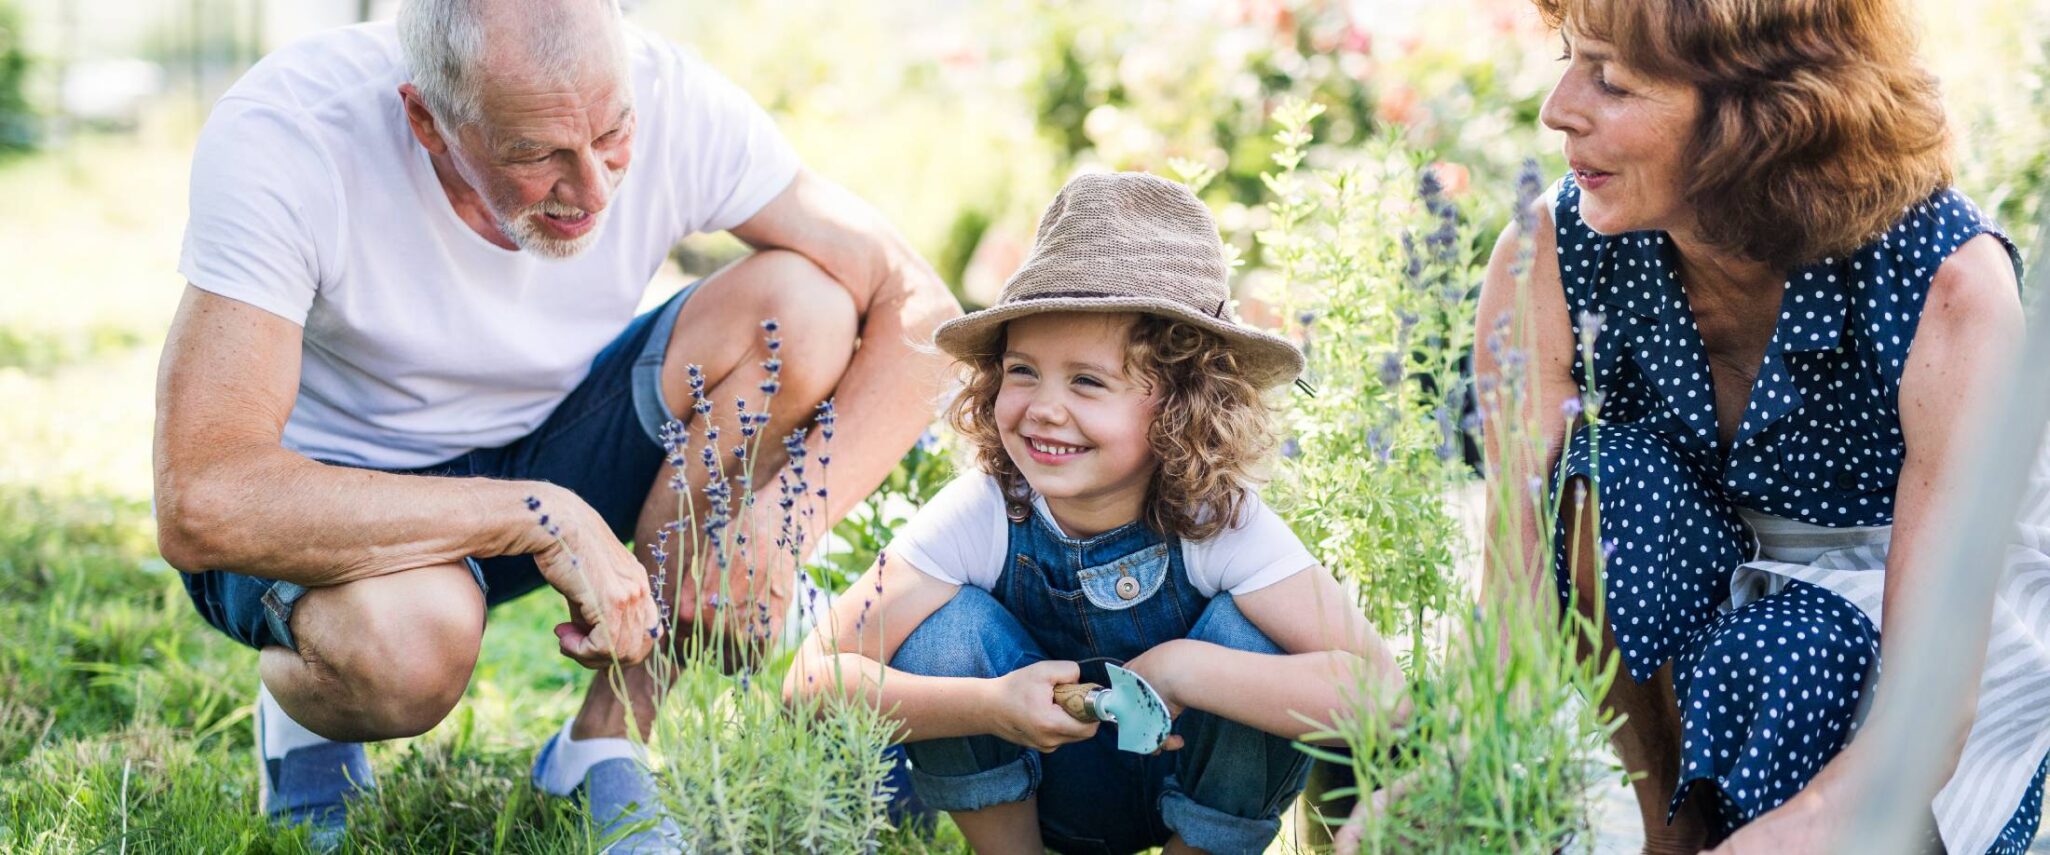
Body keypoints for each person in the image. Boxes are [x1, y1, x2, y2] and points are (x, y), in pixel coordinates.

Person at [153, 0, 958, 848]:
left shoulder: (673, 96)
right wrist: (531, 513)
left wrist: (780, 523)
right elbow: (203, 497)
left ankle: (607, 738)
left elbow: (922, 317)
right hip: (338, 506)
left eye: (613, 134)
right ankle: (308, 716)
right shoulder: (291, 134)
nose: (595, 187)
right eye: (536, 154)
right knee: (408, 649)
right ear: (427, 119)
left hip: (557, 441)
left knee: (805, 307)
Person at [1472, 0, 2050, 851]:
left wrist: (1798, 829)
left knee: (1788, 647)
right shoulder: (1551, 248)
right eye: (1569, 57)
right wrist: (1456, 767)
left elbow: (1931, 705)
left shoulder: (1950, 282)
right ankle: (1671, 833)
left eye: (1614, 80)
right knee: (1595, 476)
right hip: (1721, 570)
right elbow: (1513, 606)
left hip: (1923, 619)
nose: (1558, 106)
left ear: (1758, 118)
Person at [782, 172, 1406, 855]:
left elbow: (1382, 693)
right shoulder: (986, 510)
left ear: (1183, 402)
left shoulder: (1219, 520)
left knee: (1254, 640)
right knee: (945, 630)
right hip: (1046, 793)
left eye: (1086, 379)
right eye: (1022, 370)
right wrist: (988, 707)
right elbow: (810, 679)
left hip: (1190, 788)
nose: (1045, 406)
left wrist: (1181, 669)